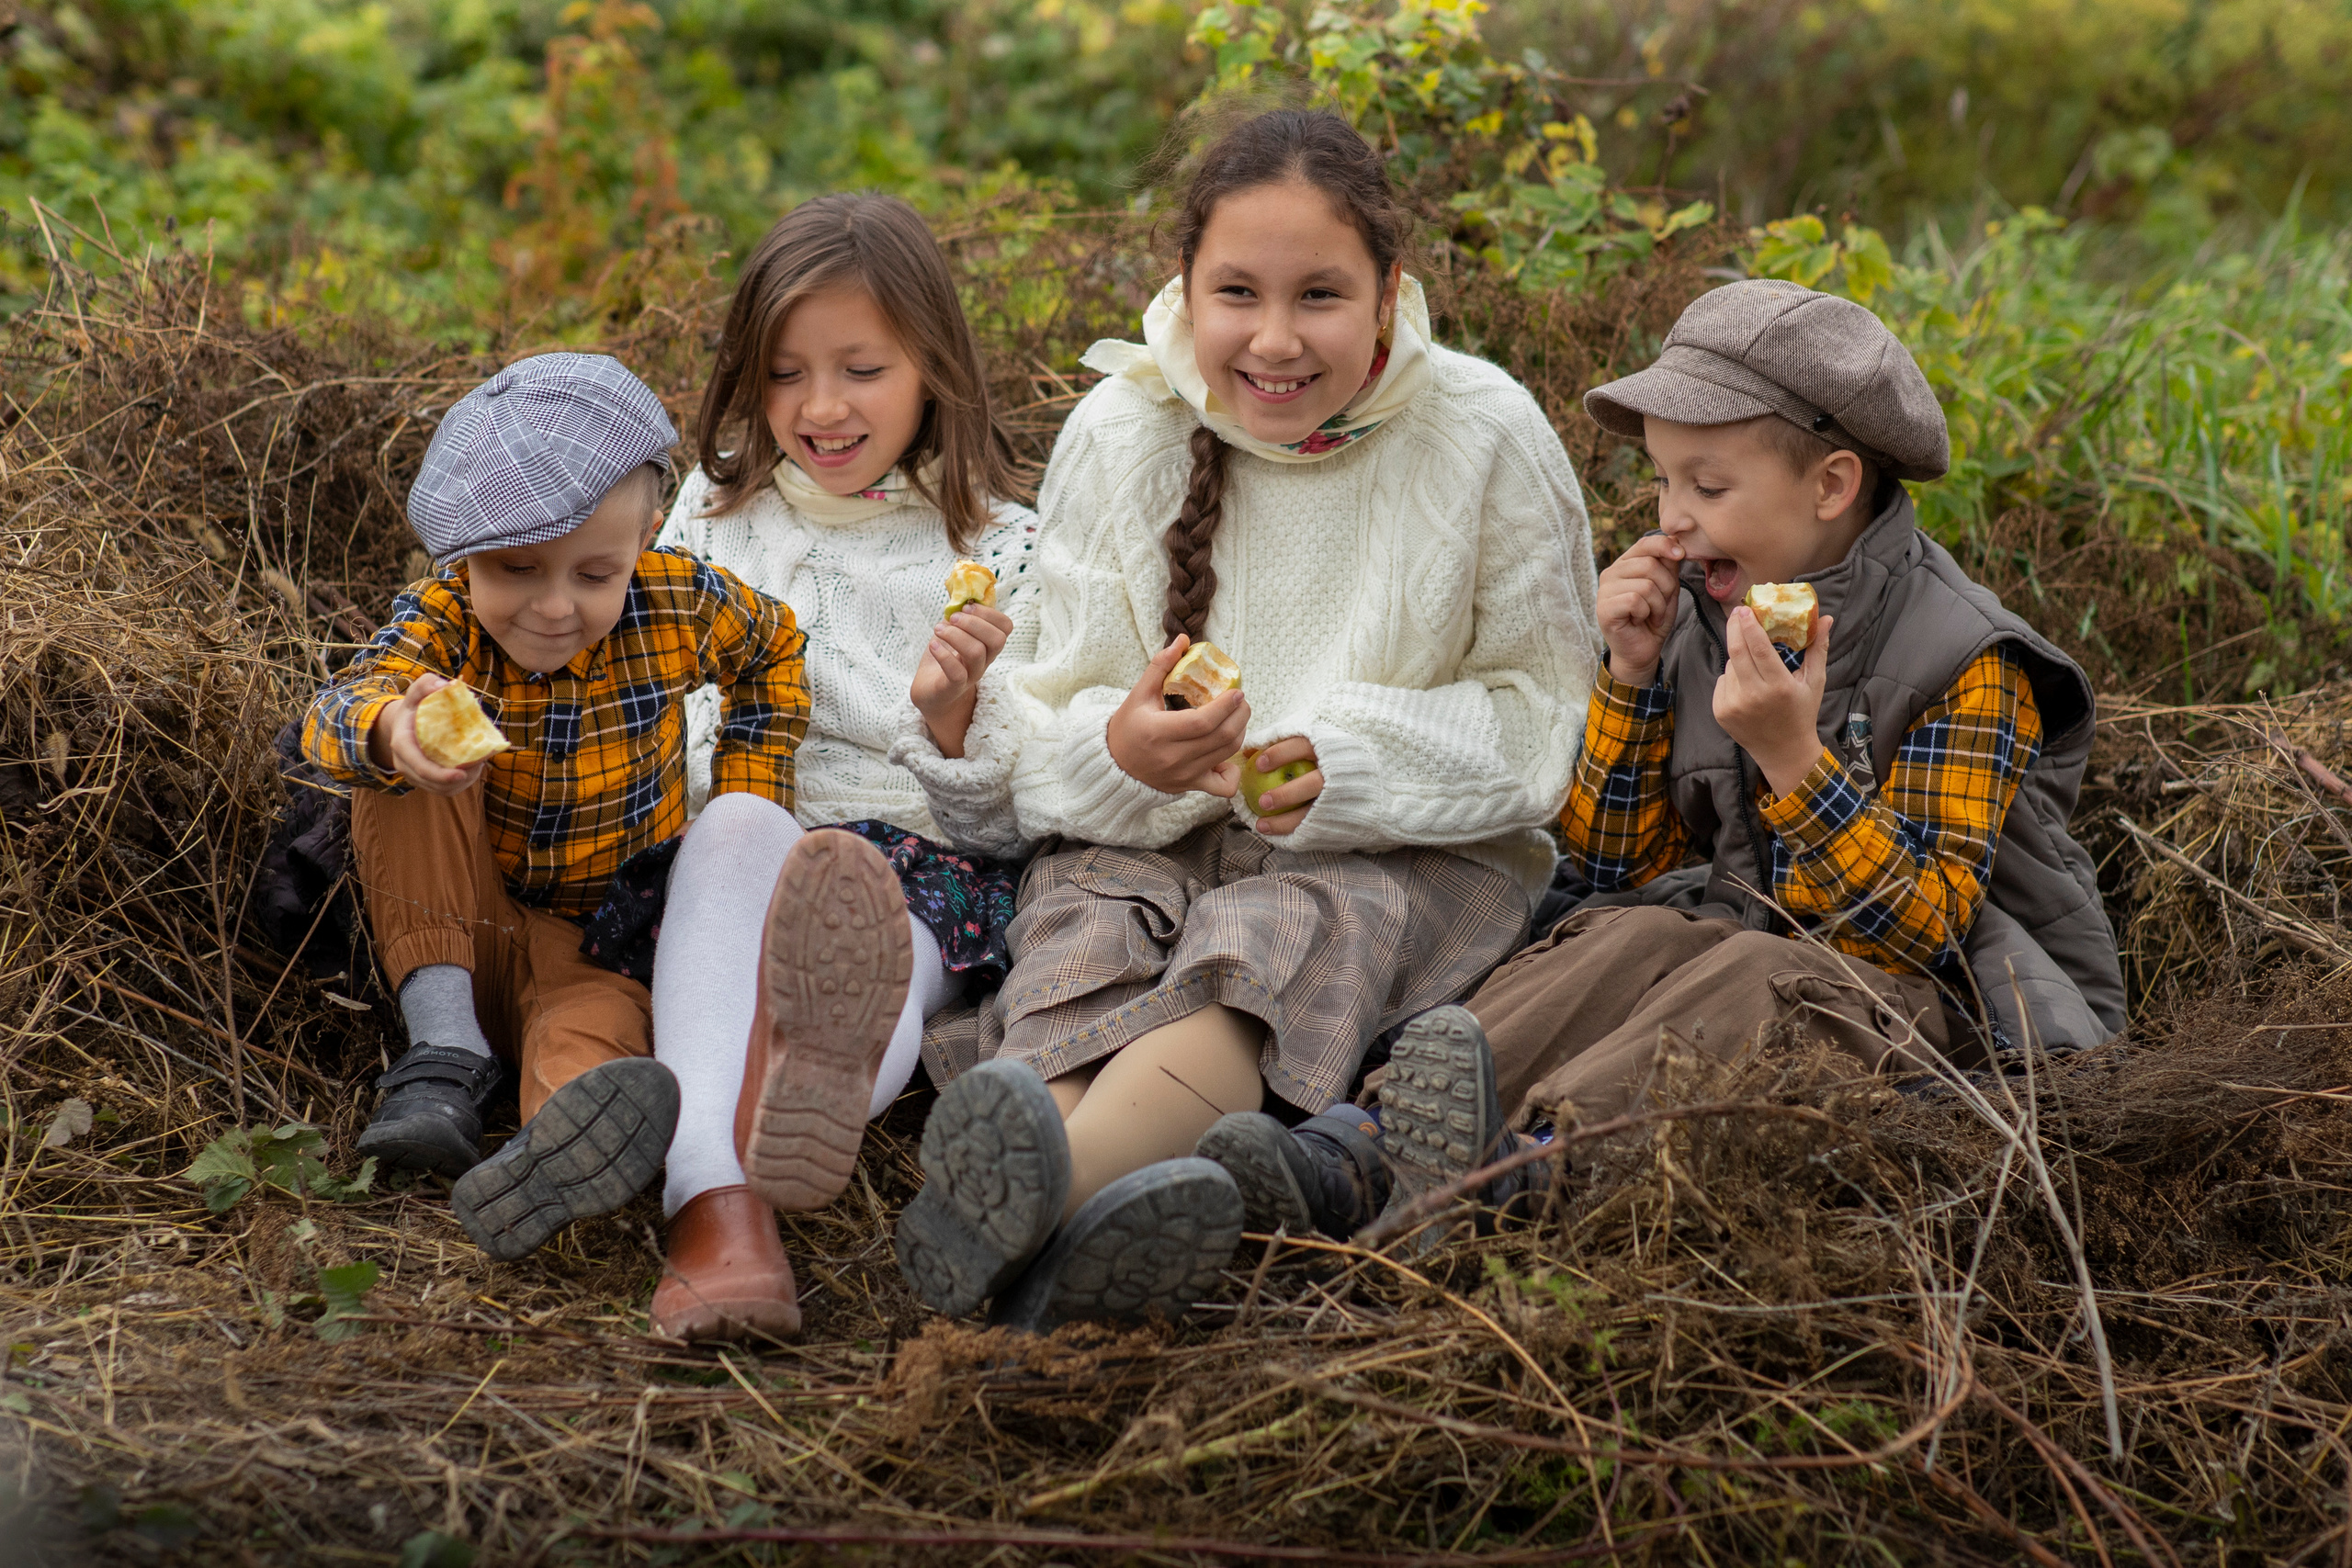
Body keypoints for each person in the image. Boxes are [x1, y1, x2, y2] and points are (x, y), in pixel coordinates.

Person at [884, 108, 1601, 1331]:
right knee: (1083, 934)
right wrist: (1121, 751)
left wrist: (1347, 763)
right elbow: (1041, 716)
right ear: (1184, 286)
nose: (1274, 338)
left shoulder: (1482, 433)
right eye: (1237, 293)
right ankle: (1046, 1232)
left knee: (1262, 945)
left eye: (1320, 293)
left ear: (1390, 291)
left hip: (1391, 856)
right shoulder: (1124, 430)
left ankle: (1020, 1260)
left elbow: (1544, 716)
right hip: (1150, 836)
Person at [1248, 277, 2129, 1236]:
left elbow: (1920, 935)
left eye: (1707, 486)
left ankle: (1514, 1173)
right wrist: (1628, 675)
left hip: (1953, 1021)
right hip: (1734, 953)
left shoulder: (1961, 658)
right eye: (1663, 480)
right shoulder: (1706, 617)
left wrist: (1794, 761)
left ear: (1831, 486)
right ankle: (1358, 1149)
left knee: (1760, 971)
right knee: (1629, 936)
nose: (1671, 516)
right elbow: (1618, 869)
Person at [300, 353, 822, 1274]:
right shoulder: (446, 620)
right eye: (516, 570)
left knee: (593, 1044)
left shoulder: (678, 601)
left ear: (647, 536)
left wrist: (746, 793)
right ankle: (445, 1057)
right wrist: (390, 732)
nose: (552, 607)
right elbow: (338, 705)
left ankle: (562, 1150)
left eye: (593, 574)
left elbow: (774, 651)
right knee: (405, 775)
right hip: (461, 928)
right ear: (459, 561)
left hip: (603, 938)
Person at [644, 192, 1037, 1341]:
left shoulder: (1004, 546)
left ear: (933, 368)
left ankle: (738, 1177)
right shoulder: (713, 516)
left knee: (879, 938)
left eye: (861, 369)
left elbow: (1017, 804)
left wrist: (954, 717)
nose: (820, 407)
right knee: (735, 826)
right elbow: (659, 698)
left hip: (915, 855)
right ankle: (724, 1193)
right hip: (740, 833)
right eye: (783, 374)